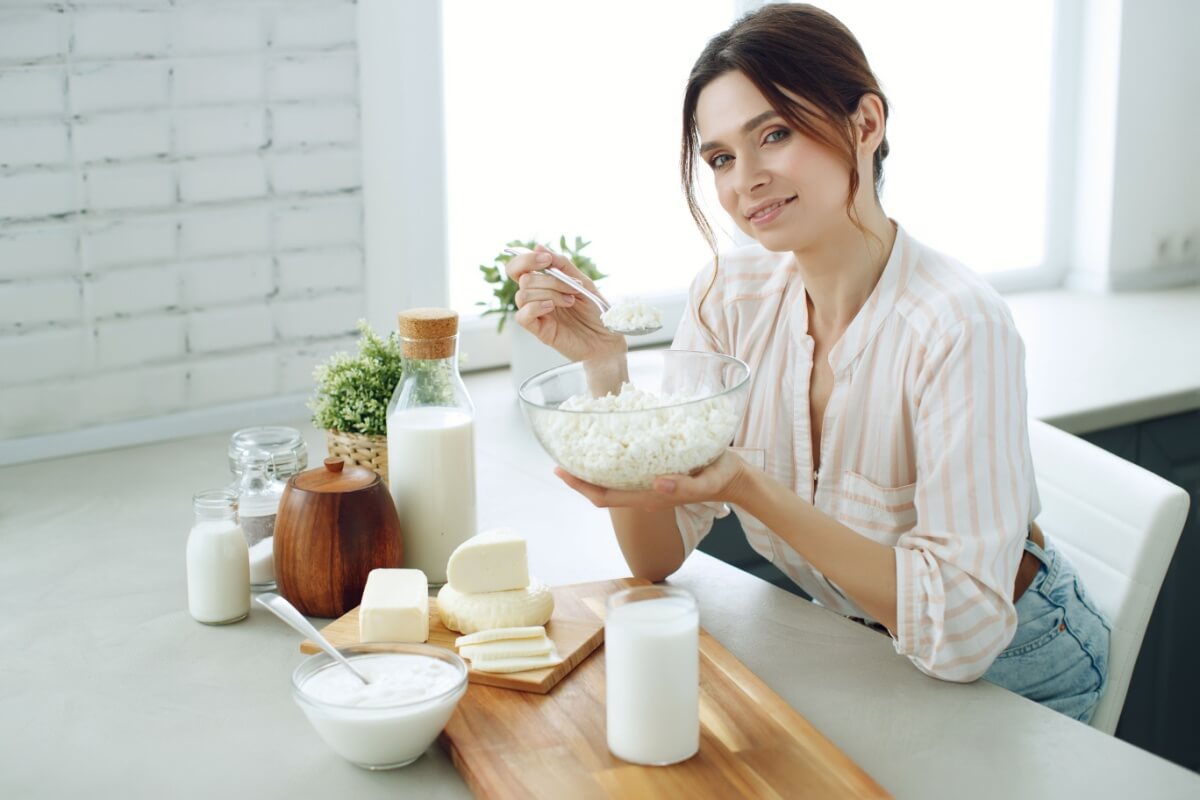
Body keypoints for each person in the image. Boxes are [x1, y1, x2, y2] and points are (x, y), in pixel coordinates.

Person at [505, 3, 1110, 722]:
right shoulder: (730, 298)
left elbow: (966, 631)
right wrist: (609, 376)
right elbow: (657, 558)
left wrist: (752, 487)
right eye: (722, 157)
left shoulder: (955, 324)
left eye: (776, 134)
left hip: (1018, 664)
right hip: (862, 645)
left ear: (865, 125)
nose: (746, 180)